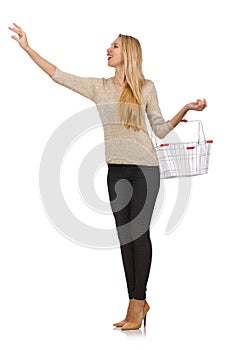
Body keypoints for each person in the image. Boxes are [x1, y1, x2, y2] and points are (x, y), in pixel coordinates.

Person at [8, 22, 207, 331]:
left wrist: (185, 108)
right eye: (109, 46)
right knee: (124, 238)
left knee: (139, 235)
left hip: (145, 169)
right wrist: (27, 48)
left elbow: (160, 129)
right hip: (115, 170)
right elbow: (58, 75)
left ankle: (136, 306)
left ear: (127, 52)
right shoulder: (98, 87)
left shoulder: (146, 87)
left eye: (114, 46)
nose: (108, 49)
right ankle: (136, 302)